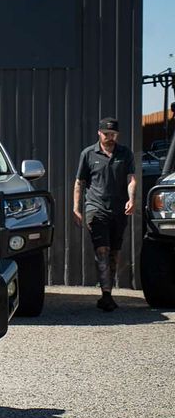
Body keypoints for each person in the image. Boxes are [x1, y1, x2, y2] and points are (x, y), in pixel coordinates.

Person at [73, 118, 137, 311]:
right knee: (102, 250)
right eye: (106, 134)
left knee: (114, 253)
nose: (109, 137)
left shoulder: (125, 153)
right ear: (98, 133)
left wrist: (132, 199)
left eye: (113, 134)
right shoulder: (88, 154)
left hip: (118, 210)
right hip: (95, 208)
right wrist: (76, 209)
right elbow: (79, 183)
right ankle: (106, 295)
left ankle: (107, 294)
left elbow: (131, 179)